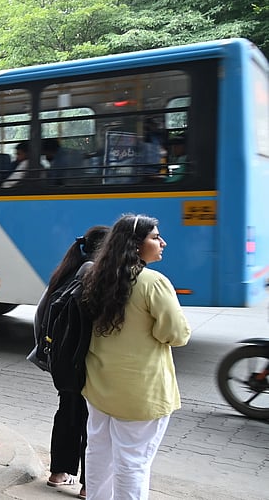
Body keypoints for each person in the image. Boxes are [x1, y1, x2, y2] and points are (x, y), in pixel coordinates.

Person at [80, 214, 190, 499]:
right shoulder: (153, 282)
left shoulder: (96, 276)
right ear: (135, 244)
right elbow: (177, 334)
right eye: (155, 237)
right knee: (133, 464)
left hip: (99, 386)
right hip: (140, 393)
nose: (162, 242)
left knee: (98, 454)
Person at [31, 226, 109, 499]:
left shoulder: (65, 273)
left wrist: (48, 352)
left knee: (67, 412)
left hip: (63, 362)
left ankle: (58, 473)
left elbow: (41, 315)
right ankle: (89, 485)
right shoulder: (95, 276)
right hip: (85, 362)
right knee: (91, 421)